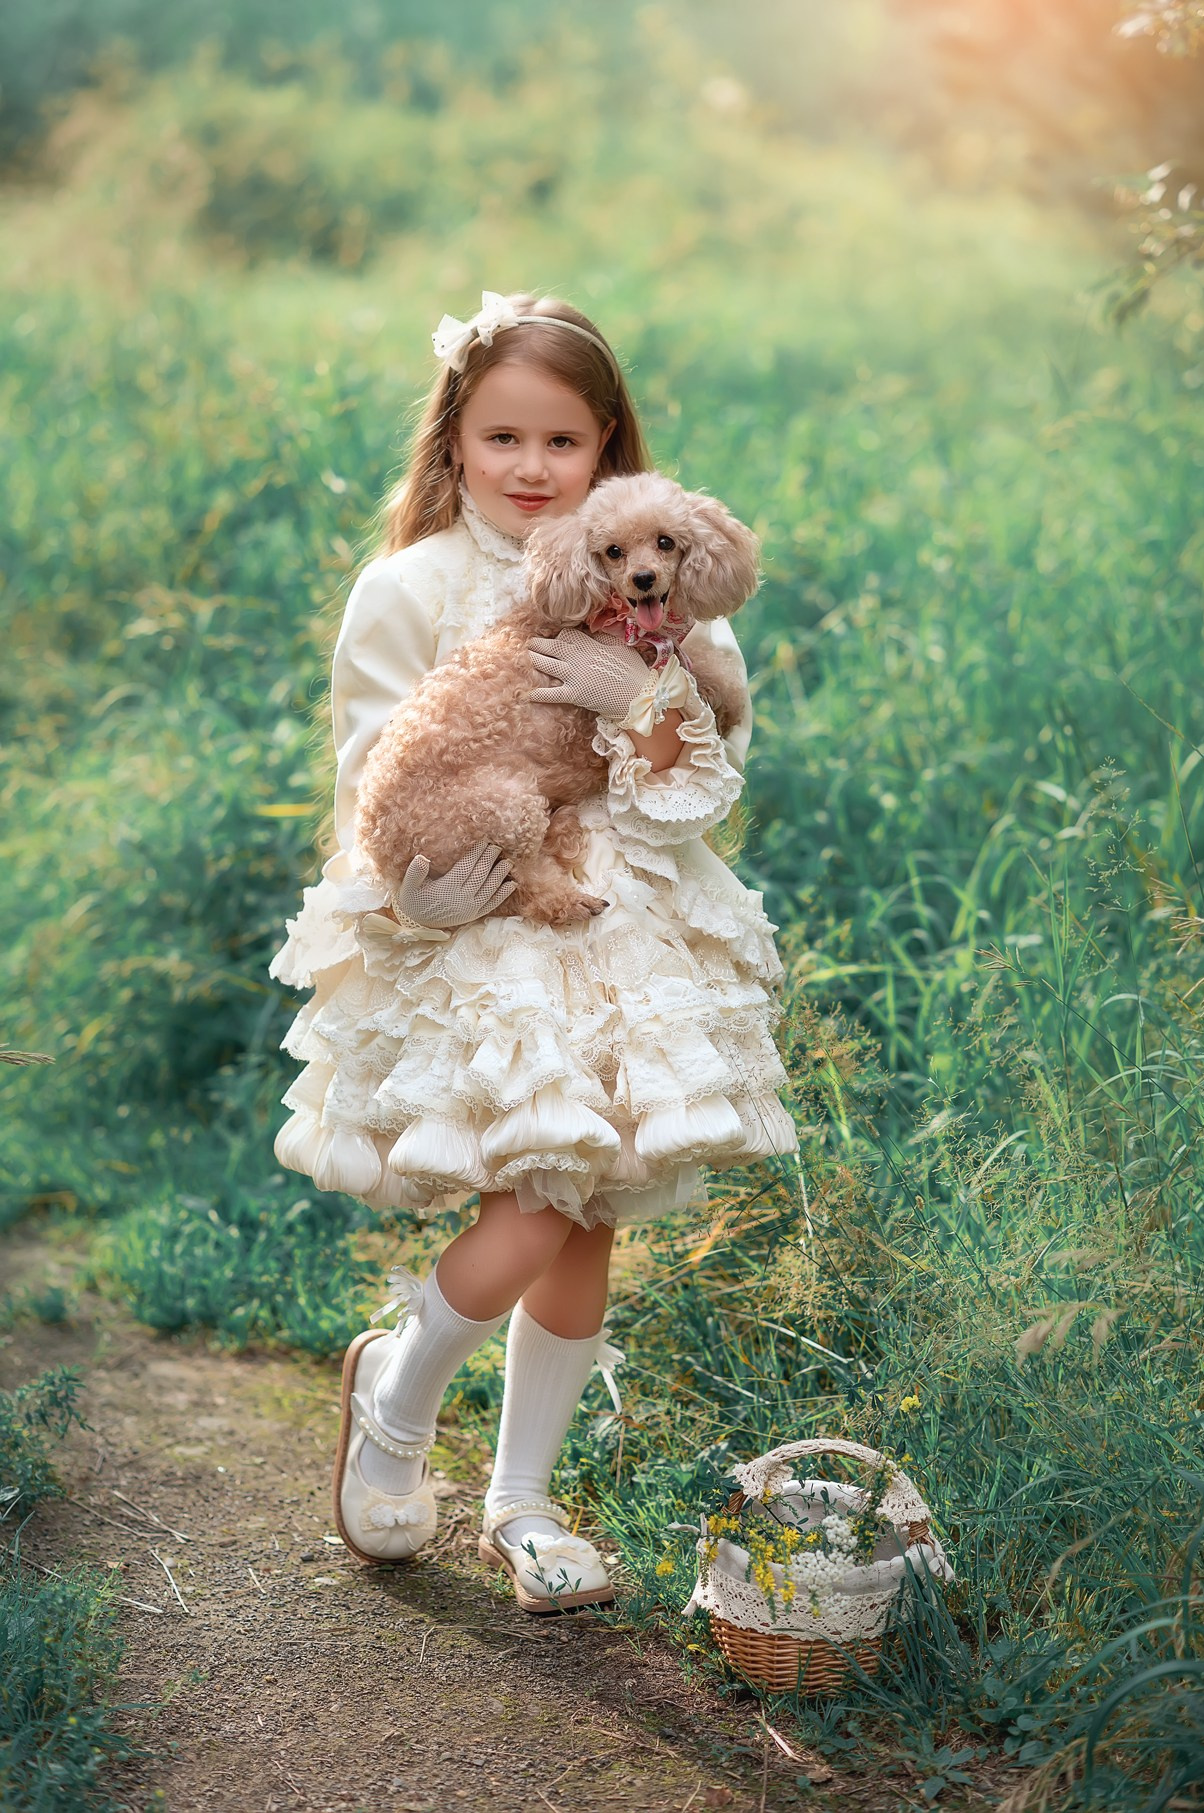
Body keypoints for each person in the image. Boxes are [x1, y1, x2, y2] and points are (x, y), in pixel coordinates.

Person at [268, 290, 798, 1611]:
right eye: (502, 437)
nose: (531, 468)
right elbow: (374, 779)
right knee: (535, 1201)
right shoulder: (408, 589)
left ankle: (521, 1498)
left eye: (563, 442)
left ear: (608, 449)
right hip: (491, 914)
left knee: (591, 1211)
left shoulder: (656, 565)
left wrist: (655, 703)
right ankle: (397, 1389)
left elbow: (709, 782)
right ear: (455, 443)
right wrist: (422, 897)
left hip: (639, 924)